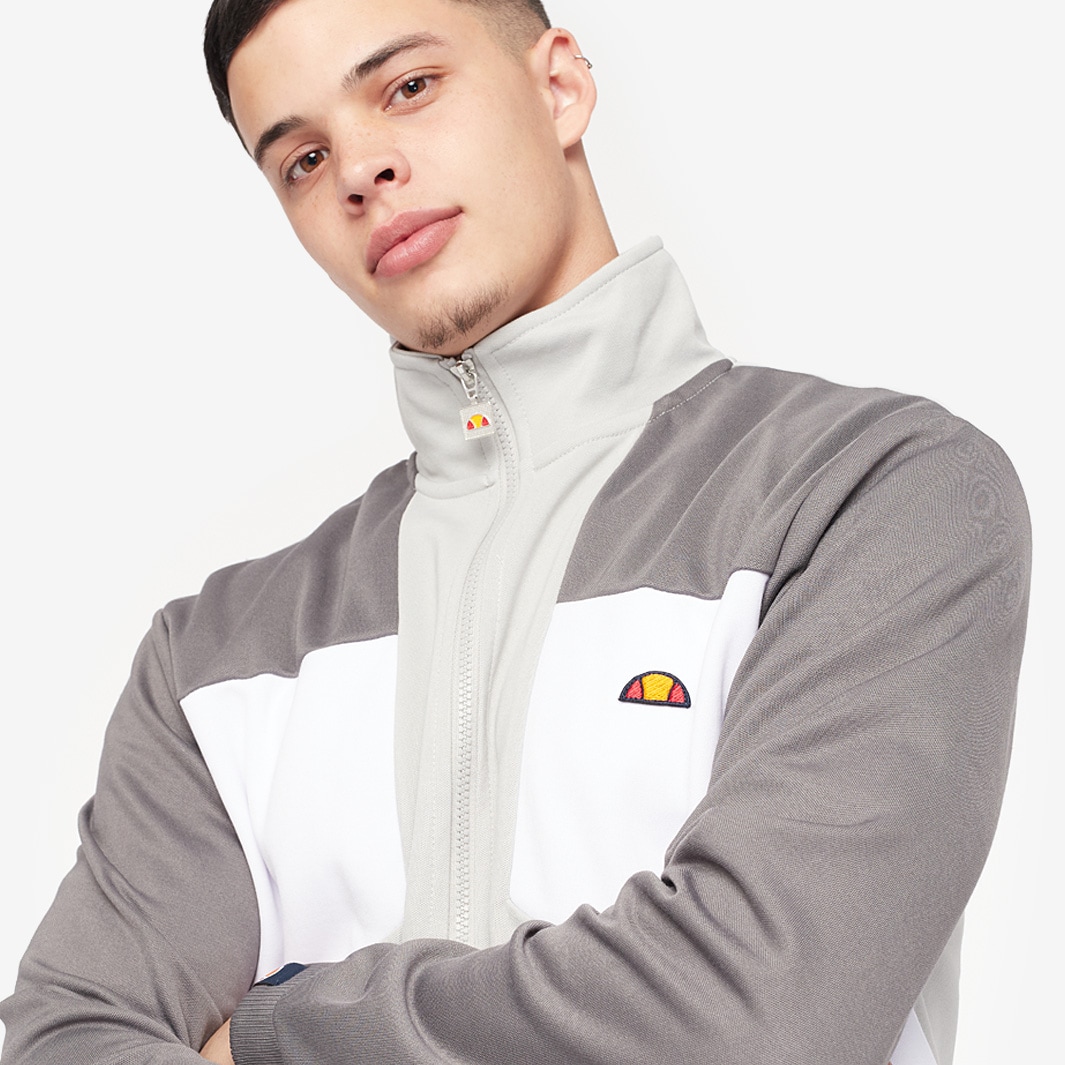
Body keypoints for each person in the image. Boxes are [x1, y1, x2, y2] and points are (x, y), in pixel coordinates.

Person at [0, 0, 1030, 1062]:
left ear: (561, 87)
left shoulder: (867, 493)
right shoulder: (213, 660)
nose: (358, 169)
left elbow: (758, 1015)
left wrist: (274, 1033)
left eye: (408, 87)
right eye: (302, 159)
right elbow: (67, 1042)